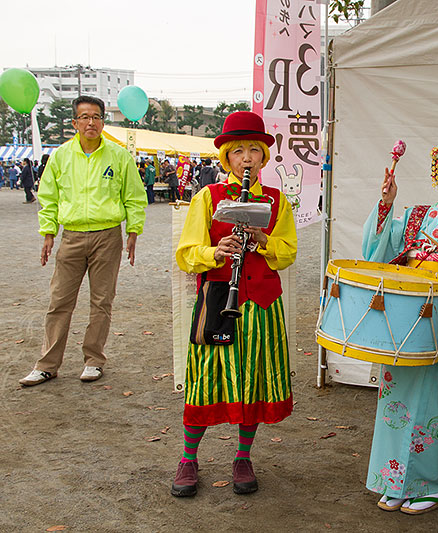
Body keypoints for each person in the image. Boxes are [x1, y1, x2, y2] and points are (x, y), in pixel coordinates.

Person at [170, 111, 297, 498]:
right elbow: (185, 253)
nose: (246, 158)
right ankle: (188, 458)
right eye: (238, 151)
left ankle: (243, 456)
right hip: (217, 301)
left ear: (263, 157)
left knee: (253, 382)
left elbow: (288, 252)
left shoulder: (277, 201)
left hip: (261, 305)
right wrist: (215, 251)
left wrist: (262, 240)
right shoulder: (208, 197)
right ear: (226, 157)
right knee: (206, 382)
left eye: (253, 151)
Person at [362, 139, 438, 515]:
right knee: (393, 401)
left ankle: (430, 486)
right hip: (404, 320)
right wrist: (387, 203)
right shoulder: (419, 217)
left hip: (437, 326)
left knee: (429, 405)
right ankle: (394, 481)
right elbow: (380, 250)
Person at [18, 95, 147, 387]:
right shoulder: (61, 156)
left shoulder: (119, 156)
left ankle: (93, 360)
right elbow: (49, 197)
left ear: (103, 121)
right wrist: (48, 232)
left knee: (102, 301)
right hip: (72, 236)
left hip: (108, 236)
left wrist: (133, 232)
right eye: (85, 117)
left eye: (97, 117)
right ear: (75, 122)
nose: (91, 122)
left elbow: (134, 197)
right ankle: (47, 365)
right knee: (60, 301)